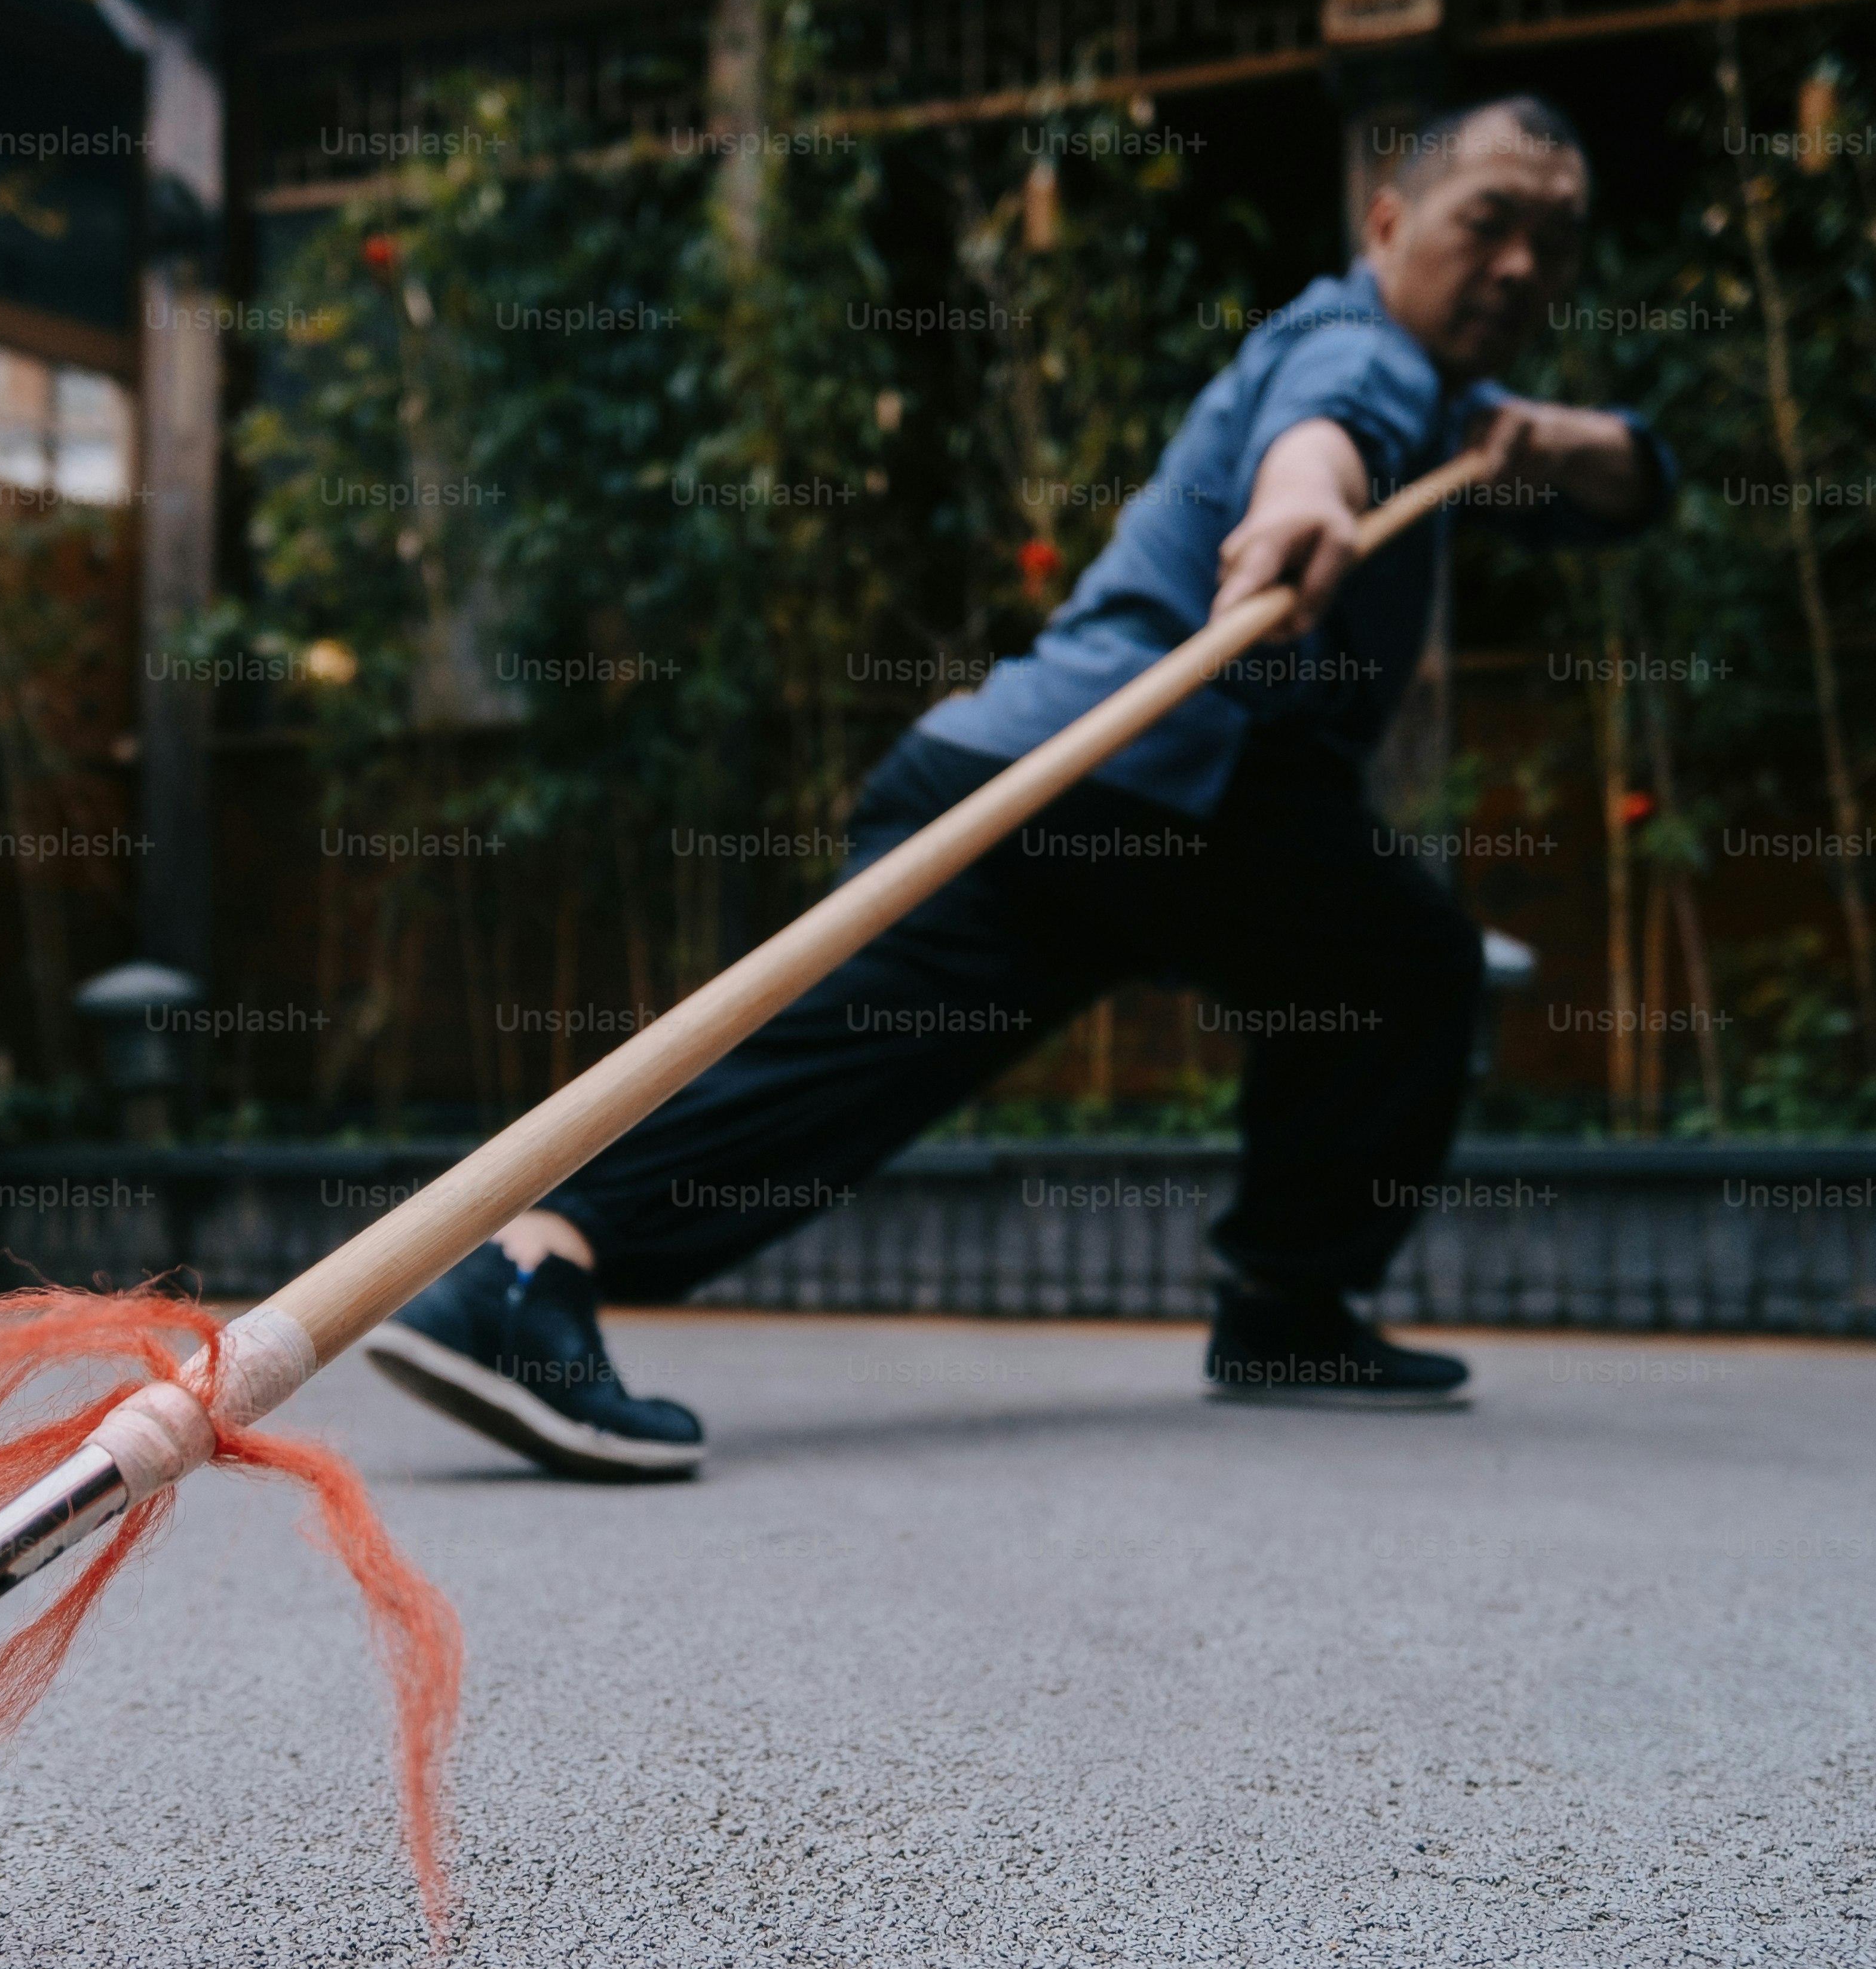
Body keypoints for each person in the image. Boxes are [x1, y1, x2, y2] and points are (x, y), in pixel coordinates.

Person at [365, 96, 1676, 1478]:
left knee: (1390, 969)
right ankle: (520, 1266)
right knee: (865, 1055)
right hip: (1087, 779)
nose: (1524, 268)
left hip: (1187, 808)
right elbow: (1327, 423)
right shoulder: (1349, 343)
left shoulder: (1464, 404)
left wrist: (1550, 437)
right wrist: (1304, 495)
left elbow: (1635, 479)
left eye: (1556, 240)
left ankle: (1288, 1309)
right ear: (1389, 223)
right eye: (1489, 226)